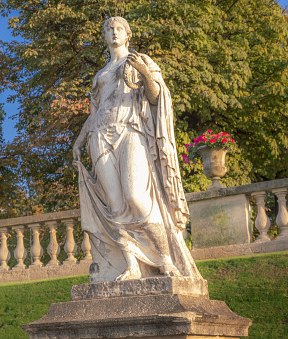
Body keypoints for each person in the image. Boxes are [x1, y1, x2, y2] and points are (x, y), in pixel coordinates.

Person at [73, 16, 202, 282]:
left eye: (118, 28)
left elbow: (156, 96)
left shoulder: (140, 60)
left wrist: (143, 73)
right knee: (115, 206)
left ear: (128, 34)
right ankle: (131, 264)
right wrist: (79, 141)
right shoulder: (100, 75)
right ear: (104, 37)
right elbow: (93, 114)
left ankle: (166, 260)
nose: (113, 32)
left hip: (131, 130)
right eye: (108, 29)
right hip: (100, 136)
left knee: (137, 198)